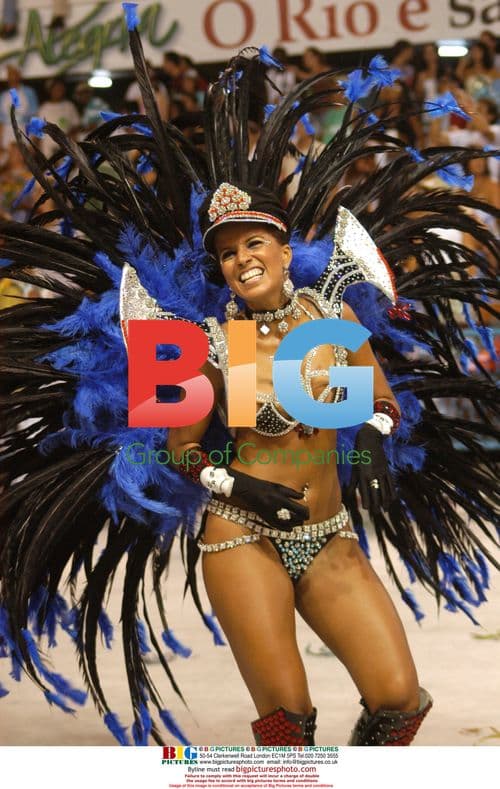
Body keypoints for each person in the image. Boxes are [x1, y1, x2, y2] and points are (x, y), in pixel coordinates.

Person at [0, 12, 498, 748]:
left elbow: (385, 404)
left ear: (281, 245)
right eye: (227, 253)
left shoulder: (332, 318)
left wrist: (377, 427)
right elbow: (181, 452)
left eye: (253, 242)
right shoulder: (202, 345)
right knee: (287, 725)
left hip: (330, 535)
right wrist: (237, 486)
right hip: (243, 538)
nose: (241, 259)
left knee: (398, 702)